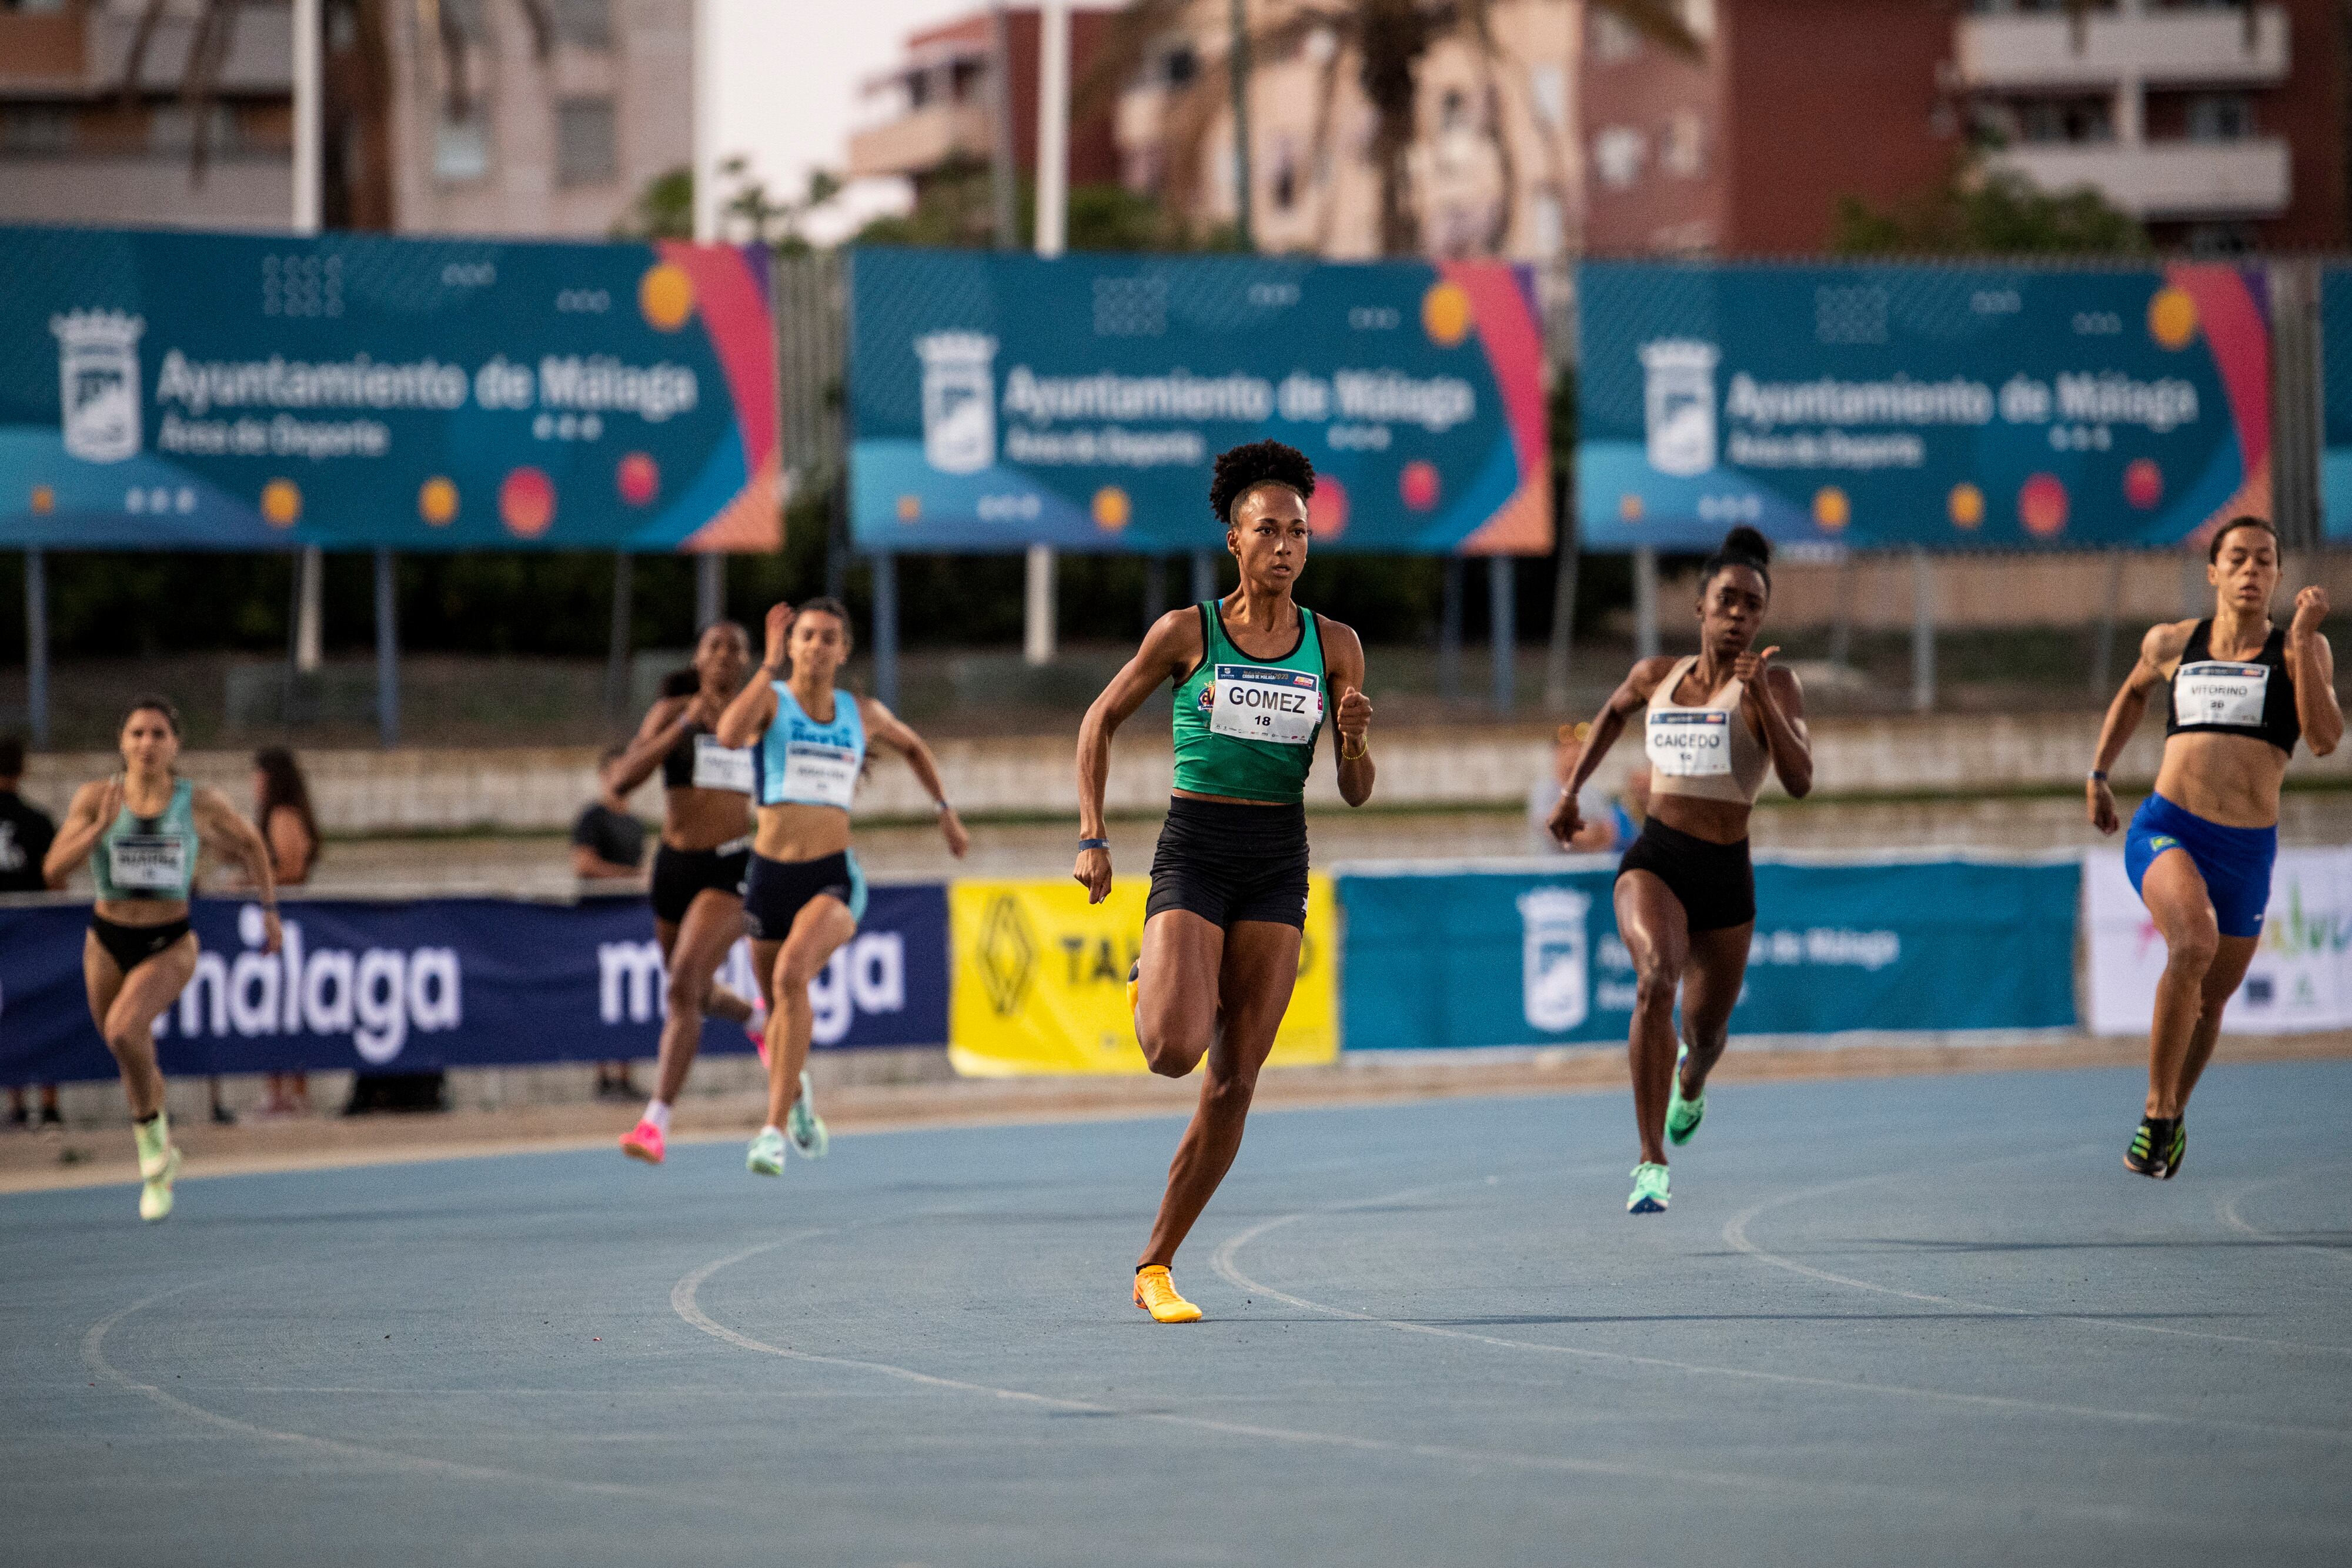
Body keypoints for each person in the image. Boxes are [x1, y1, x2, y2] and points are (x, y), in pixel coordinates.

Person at [1074, 440, 1376, 1324]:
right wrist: (1093, 834)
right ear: (1234, 540)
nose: (1285, 546)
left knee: (1236, 1077)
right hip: (1198, 842)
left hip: (1278, 856)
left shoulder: (1338, 646)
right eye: (1267, 530)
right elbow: (1098, 720)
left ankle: (1156, 1262)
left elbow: (1356, 791)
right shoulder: (1186, 632)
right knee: (1172, 1050)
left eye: (1299, 532)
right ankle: (1155, 970)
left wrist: (1354, 737)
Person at [1549, 526, 1812, 1216]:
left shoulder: (1775, 682)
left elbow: (1800, 779)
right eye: (1727, 600)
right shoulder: (1654, 676)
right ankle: (1649, 1162)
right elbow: (1609, 716)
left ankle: (1690, 1085)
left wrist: (1760, 703)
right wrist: (1573, 793)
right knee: (1653, 980)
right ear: (1700, 607)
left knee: (1706, 1035)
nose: (1739, 615)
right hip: (1657, 859)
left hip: (1726, 871)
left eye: (1753, 606)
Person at [2089, 517, 2338, 1179]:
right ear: (2214, 571)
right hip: (2168, 829)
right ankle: (2152, 1110)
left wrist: (2308, 640)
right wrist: (2098, 774)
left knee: (2212, 998)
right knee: (2192, 943)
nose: (2251, 571)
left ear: (2279, 576)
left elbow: (2322, 739)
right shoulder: (2173, 641)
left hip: (2246, 852)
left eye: (2264, 561)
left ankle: (2171, 1116)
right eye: (2237, 559)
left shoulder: (2299, 653)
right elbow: (2132, 693)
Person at [714, 596, 968, 1179]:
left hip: (831, 876)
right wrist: (767, 665)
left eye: (829, 638)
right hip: (768, 878)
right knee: (779, 1006)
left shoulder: (863, 712)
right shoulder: (772, 702)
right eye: (807, 636)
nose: (817, 646)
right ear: (793, 642)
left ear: (844, 650)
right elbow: (728, 735)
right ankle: (795, 1093)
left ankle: (772, 1133)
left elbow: (913, 746)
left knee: (788, 978)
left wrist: (945, 811)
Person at [41, 697, 280, 1222]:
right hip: (106, 940)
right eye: (137, 734)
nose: (147, 743)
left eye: (157, 734)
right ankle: (162, 1140)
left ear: (175, 744)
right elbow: (53, 868)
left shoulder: (198, 802)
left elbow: (254, 845)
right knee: (128, 1048)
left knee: (127, 1031)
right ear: (122, 743)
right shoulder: (96, 797)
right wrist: (97, 829)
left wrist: (269, 911)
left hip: (170, 941)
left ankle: (153, 1159)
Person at [613, 625, 767, 1166]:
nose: (725, 656)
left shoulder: (759, 718)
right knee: (693, 992)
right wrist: (681, 724)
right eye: (715, 647)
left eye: (735, 648)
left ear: (748, 662)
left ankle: (656, 1121)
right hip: (674, 867)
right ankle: (757, 1020)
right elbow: (621, 781)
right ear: (699, 659)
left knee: (682, 985)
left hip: (730, 866)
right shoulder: (670, 713)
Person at [572, 745, 649, 1100]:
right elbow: (584, 864)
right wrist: (628, 876)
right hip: (596, 921)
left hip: (629, 922)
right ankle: (603, 1077)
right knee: (600, 996)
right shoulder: (592, 818)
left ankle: (624, 1075)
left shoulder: (635, 824)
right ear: (605, 776)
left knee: (630, 998)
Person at [249, 746, 320, 1120]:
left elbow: (292, 870)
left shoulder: (282, 815)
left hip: (285, 927)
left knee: (282, 1005)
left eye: (258, 775)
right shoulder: (285, 815)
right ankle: (285, 1091)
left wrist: (250, 884)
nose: (254, 783)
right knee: (283, 1008)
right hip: (287, 926)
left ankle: (286, 1092)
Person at [1, 734, 62, 1131]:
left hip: (15, 935)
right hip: (34, 935)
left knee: (8, 1017)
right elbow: (55, 880)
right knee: (46, 1014)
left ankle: (17, 1103)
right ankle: (50, 1104)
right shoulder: (38, 822)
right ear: (22, 770)